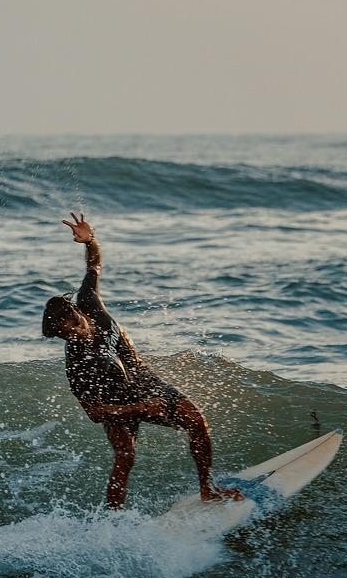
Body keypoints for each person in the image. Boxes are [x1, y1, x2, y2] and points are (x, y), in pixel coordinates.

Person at [42, 213, 243, 510]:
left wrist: (90, 240)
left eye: (73, 332)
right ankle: (112, 519)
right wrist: (139, 408)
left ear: (79, 315)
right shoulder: (78, 365)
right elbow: (95, 413)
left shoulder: (88, 301)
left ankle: (208, 489)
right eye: (64, 338)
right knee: (125, 458)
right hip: (115, 402)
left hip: (141, 380)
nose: (73, 340)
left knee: (197, 422)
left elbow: (94, 264)